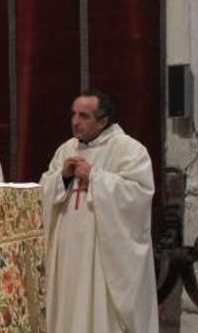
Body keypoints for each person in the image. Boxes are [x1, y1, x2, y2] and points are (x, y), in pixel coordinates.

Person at [39, 91, 158, 333]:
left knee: (97, 308)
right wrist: (61, 178)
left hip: (101, 251)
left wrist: (95, 176)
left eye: (84, 116)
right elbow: (43, 191)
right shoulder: (66, 150)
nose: (75, 121)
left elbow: (139, 194)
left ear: (103, 121)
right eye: (73, 114)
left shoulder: (130, 150)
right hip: (67, 249)